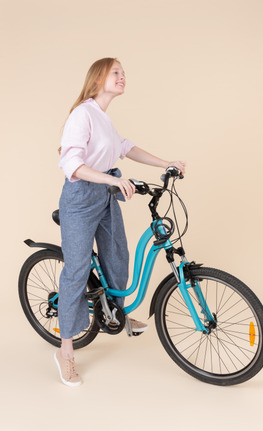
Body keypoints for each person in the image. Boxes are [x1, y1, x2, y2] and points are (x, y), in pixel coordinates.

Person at [55, 57, 186, 387]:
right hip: (81, 199)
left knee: (118, 256)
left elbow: (125, 148)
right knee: (76, 270)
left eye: (124, 73)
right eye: (116, 72)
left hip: (104, 196)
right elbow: (71, 164)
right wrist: (113, 182)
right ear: (98, 78)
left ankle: (117, 315)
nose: (122, 77)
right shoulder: (82, 114)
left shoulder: (103, 118)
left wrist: (165, 162)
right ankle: (66, 352)